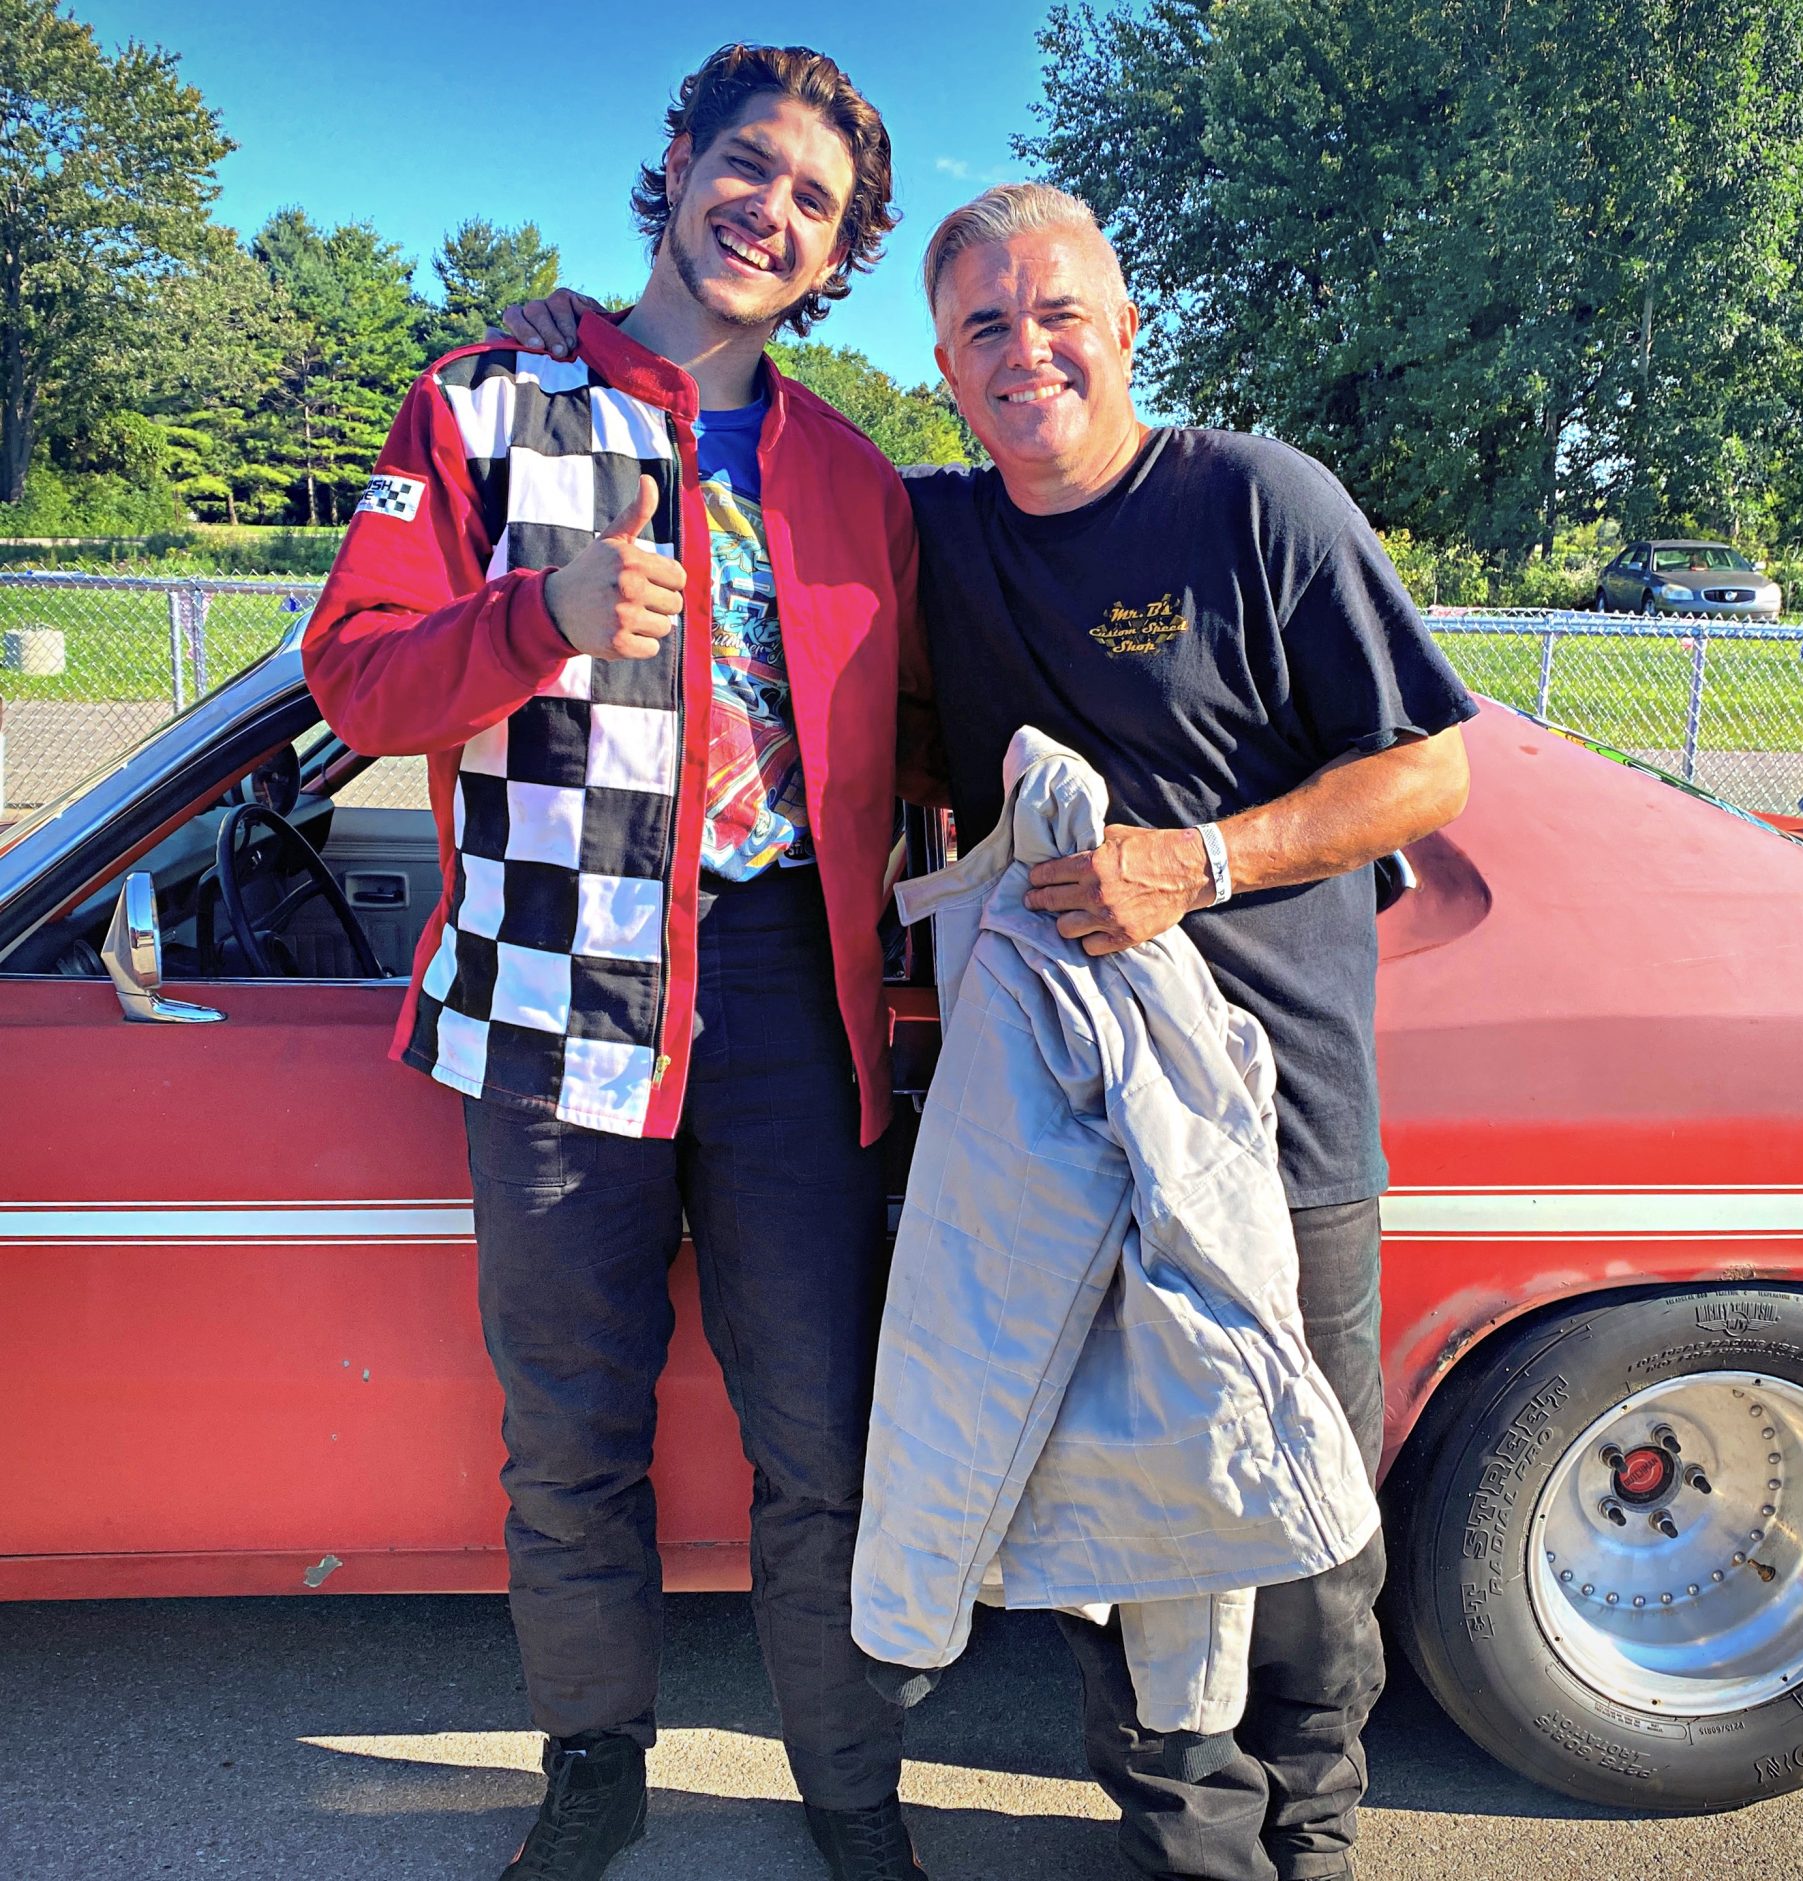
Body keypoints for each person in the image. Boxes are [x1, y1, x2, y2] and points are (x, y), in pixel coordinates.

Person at [503, 179, 1473, 1880]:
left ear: (1124, 329)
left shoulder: (1261, 506)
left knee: (1304, 1532)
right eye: (983, 330)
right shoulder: (930, 530)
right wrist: (546, 353)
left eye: (1057, 315)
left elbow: (1430, 771)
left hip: (1281, 1112)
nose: (1026, 352)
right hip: (1049, 1122)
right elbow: (795, 634)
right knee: (1112, 1506)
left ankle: (1313, 1835)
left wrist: (1206, 860)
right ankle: (1194, 1847)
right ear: (943, 366)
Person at [304, 43, 932, 1881]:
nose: (771, 212)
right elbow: (355, 678)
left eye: (813, 202)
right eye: (748, 167)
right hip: (548, 992)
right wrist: (545, 612)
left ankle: (850, 1789)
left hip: (783, 1014)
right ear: (675, 165)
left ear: (838, 254)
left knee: (825, 1433)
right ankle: (594, 1761)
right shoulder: (485, 402)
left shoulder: (856, 476)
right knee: (568, 1424)